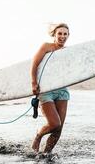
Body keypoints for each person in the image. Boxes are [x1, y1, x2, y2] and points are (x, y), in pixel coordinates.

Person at [30, 23, 70, 153]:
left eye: (65, 34)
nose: (62, 36)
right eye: (60, 33)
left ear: (68, 36)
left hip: (62, 90)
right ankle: (39, 135)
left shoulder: (68, 52)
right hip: (46, 90)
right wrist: (34, 83)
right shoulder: (46, 46)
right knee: (54, 124)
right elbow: (34, 64)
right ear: (54, 34)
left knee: (59, 129)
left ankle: (46, 154)